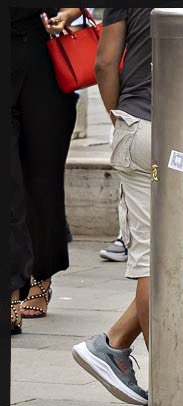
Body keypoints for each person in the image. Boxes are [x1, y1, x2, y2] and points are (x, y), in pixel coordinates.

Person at [71, 8, 154, 406]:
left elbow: (105, 60)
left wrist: (120, 116)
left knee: (158, 262)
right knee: (165, 265)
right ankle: (174, 390)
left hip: (140, 124)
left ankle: (115, 343)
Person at [11, 7, 82, 334]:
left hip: (42, 60)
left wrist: (73, 9)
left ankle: (41, 274)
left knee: (42, 181)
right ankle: (11, 290)